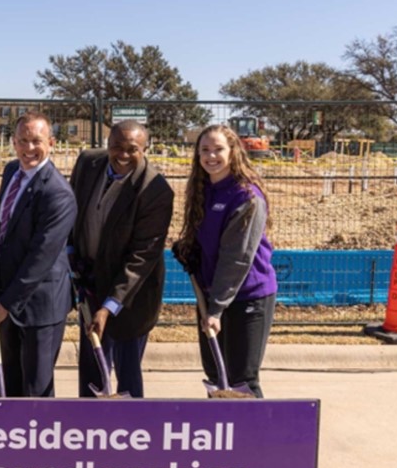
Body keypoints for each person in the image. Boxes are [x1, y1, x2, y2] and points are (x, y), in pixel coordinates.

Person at [0, 113, 77, 397]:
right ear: (13, 142)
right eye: (23, 141)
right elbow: (4, 218)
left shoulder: (58, 194)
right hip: (8, 295)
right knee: (11, 387)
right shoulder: (11, 172)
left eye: (36, 141)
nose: (29, 148)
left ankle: (38, 440)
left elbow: (40, 259)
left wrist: (4, 305)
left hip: (40, 306)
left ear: (51, 143)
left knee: (36, 393)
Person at [69, 120, 173, 398]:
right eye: (116, 146)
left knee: (127, 375)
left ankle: (132, 429)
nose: (123, 155)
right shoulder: (88, 164)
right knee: (92, 367)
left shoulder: (155, 190)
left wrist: (109, 307)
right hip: (90, 283)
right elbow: (72, 213)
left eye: (132, 149)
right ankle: (89, 427)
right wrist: (72, 259)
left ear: (146, 149)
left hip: (132, 295)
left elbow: (143, 256)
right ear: (107, 145)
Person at [172, 124, 277, 398]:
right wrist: (189, 250)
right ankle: (221, 435)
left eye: (218, 149)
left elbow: (237, 258)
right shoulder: (204, 189)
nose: (211, 156)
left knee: (242, 379)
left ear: (233, 151)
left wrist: (216, 308)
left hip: (246, 297)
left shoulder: (247, 197)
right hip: (211, 293)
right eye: (204, 150)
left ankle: (254, 438)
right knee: (216, 375)